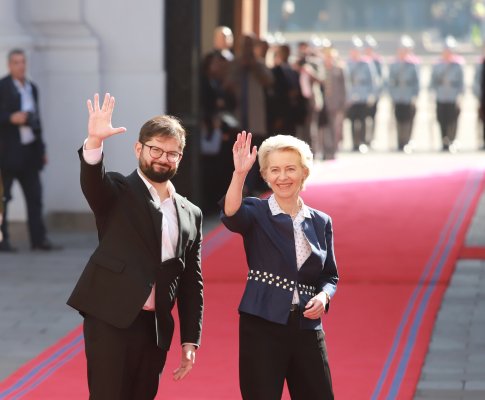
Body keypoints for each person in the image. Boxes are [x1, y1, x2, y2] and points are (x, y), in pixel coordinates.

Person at [67, 93, 204, 399]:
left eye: (172, 153)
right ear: (138, 148)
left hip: (155, 328)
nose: (163, 158)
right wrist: (93, 142)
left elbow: (191, 282)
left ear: (180, 158)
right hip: (111, 318)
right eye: (155, 149)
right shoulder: (117, 191)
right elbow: (93, 182)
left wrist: (190, 339)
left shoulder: (191, 213)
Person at [220, 131, 339, 399]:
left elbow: (330, 276)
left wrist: (323, 296)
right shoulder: (255, 211)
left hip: (307, 327)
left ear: (304, 172)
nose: (282, 177)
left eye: (290, 169)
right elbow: (231, 216)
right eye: (274, 170)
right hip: (262, 323)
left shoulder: (321, 221)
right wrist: (239, 175)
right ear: (264, 175)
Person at [0, 48, 56, 252]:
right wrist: (10, 118)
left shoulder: (32, 88)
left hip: (30, 151)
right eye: (16, 62)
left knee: (35, 197)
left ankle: (38, 239)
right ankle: (2, 240)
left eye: (23, 62)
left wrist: (42, 150)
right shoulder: (3, 86)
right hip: (8, 153)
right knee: (4, 198)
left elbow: (37, 120)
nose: (20, 66)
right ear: (9, 65)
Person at [429, 36, 464, 152]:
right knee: (441, 119)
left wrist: (460, 95)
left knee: (452, 119)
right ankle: (444, 141)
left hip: (453, 96)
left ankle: (452, 140)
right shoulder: (437, 64)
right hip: (441, 96)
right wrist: (431, 94)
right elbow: (433, 81)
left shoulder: (458, 64)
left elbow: (461, 82)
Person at [388, 35, 420, 151]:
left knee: (408, 119)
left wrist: (415, 95)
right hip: (398, 95)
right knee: (399, 119)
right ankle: (399, 142)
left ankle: (407, 141)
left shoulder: (413, 64)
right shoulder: (394, 64)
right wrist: (392, 95)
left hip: (408, 95)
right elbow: (390, 81)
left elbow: (416, 82)